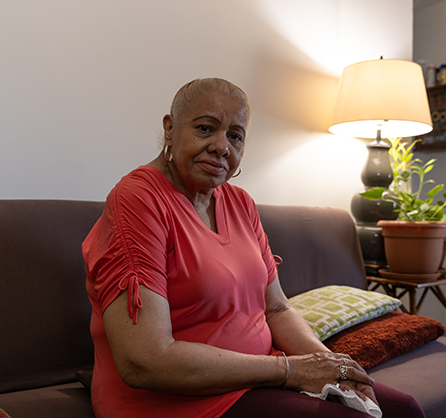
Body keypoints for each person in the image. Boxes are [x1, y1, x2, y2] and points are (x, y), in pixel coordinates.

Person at [82, 78, 425, 418]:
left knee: (404, 409)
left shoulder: (240, 203)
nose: (221, 146)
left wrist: (330, 365)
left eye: (235, 135)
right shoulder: (138, 200)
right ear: (169, 129)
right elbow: (144, 360)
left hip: (257, 381)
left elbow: (276, 309)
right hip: (180, 401)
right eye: (205, 128)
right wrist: (290, 371)